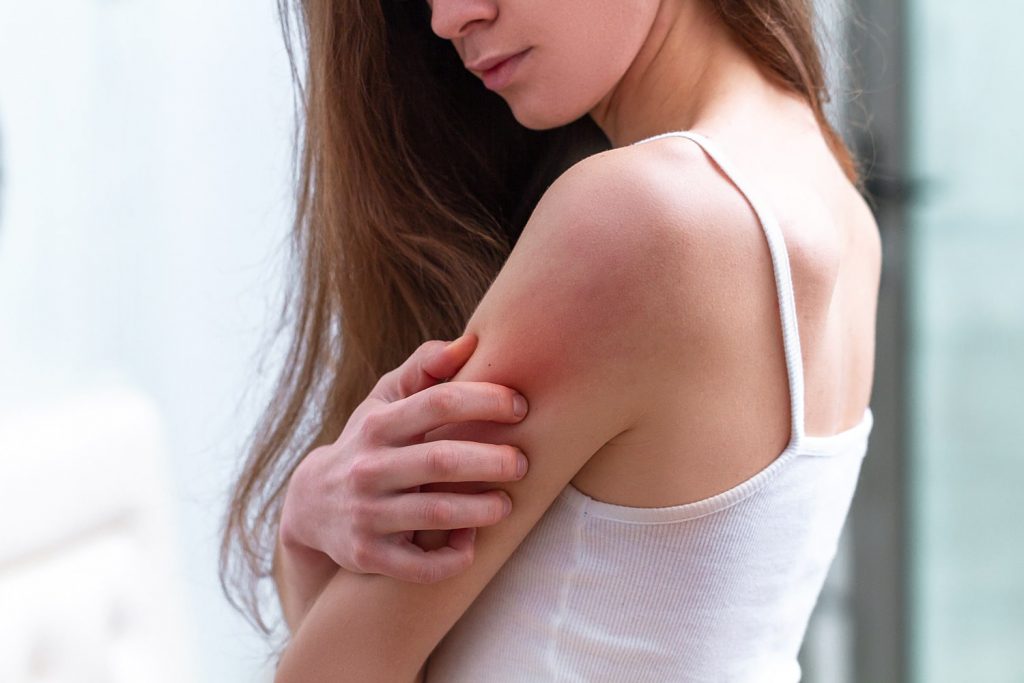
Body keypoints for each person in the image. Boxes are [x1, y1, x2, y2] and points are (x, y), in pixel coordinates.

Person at [221, 0, 882, 680]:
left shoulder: (640, 220)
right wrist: (309, 534)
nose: (448, 19)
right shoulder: (834, 201)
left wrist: (302, 525)